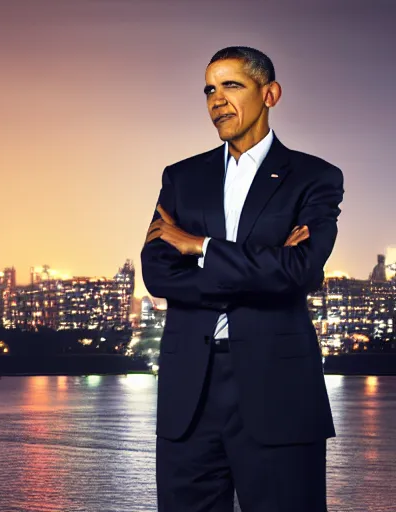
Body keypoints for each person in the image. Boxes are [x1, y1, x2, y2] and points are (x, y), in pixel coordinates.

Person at [141, 46, 344, 512]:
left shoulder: (314, 177)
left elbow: (300, 271)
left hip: (280, 391)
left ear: (270, 94)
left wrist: (201, 248)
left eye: (232, 85)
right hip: (189, 393)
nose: (216, 99)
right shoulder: (182, 177)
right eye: (209, 89)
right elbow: (157, 273)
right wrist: (265, 268)